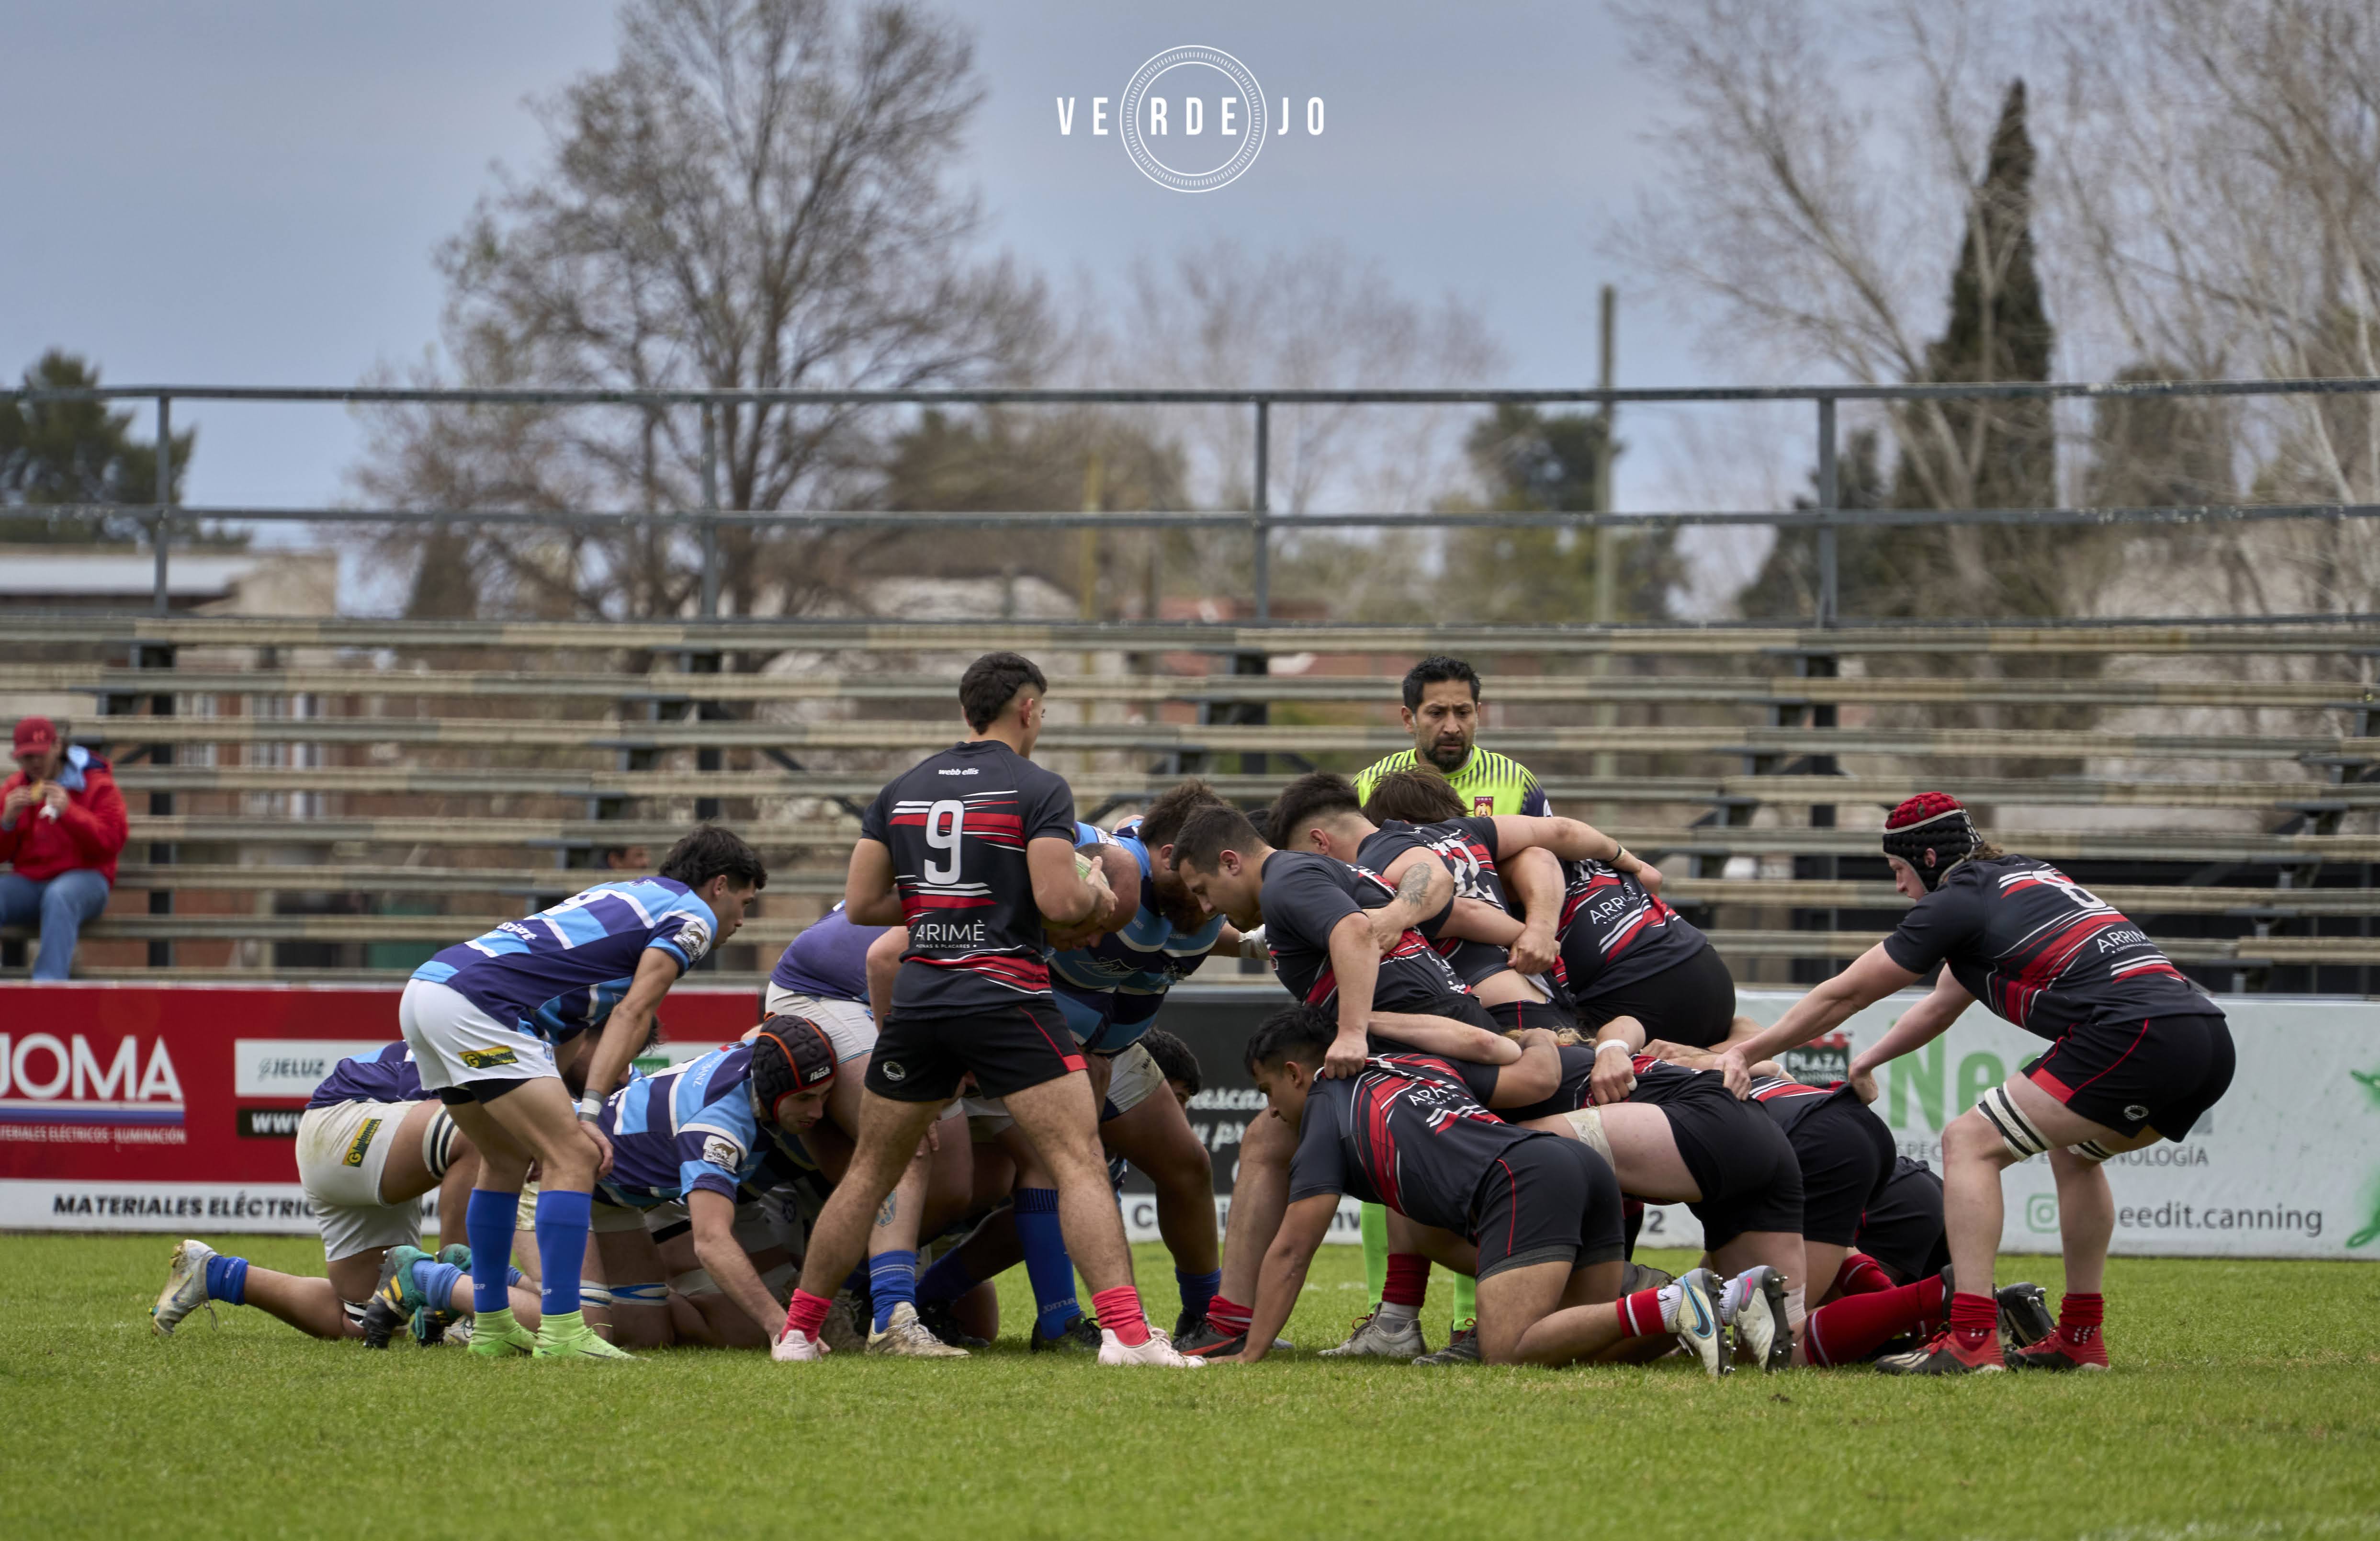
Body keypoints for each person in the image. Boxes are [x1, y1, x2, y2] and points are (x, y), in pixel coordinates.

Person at [772, 651, 1201, 1368]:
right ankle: (1126, 1335)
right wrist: (1094, 893)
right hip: (1004, 995)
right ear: (1028, 708)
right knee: (1076, 1161)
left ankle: (798, 1331)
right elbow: (1063, 904)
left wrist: (950, 903)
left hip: (921, 995)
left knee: (872, 1171)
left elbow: (866, 905)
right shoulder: (1038, 787)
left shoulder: (903, 788)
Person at [1716, 793, 2236, 1374]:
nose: (1899, 889)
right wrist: (1869, 1060)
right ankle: (2080, 1336)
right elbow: (1941, 1005)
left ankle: (1970, 1334)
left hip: (2136, 1032)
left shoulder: (1956, 901)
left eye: (1899, 871)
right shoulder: (2020, 877)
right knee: (2074, 1153)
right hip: (2205, 1035)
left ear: (1929, 856)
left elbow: (1846, 992)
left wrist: (1748, 1051)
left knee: (1968, 1142)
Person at [401, 824, 767, 1361]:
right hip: (483, 1003)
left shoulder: (632, 895)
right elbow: (634, 1011)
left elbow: (571, 1020)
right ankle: (564, 1330)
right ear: (718, 885)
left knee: (503, 1157)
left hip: (431, 987)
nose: (740, 920)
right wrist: (589, 1112)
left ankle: (493, 1324)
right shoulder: (693, 916)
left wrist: (569, 1108)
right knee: (574, 1153)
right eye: (744, 901)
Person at [1235, 1006, 1722, 1373]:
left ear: (1295, 1074)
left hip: (1522, 1178)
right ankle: (1697, 1306)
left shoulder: (1324, 1109)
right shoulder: (1415, 1065)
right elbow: (1529, 1069)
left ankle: (1672, 1301)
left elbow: (1293, 1249)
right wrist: (1537, 1034)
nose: (1273, 1110)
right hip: (1579, 1163)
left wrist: (1251, 1351)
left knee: (1507, 1350)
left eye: (1267, 1090)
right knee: (1581, 1350)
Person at [148, 1042, 540, 1344]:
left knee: (365, 1318)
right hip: (348, 1122)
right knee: (484, 1131)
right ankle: (458, 1309)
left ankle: (213, 1273)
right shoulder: (522, 1053)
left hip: (362, 1136)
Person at [763, 902, 975, 1349]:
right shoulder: (1003, 892)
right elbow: (882, 958)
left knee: (955, 1189)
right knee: (905, 1137)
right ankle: (892, 1317)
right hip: (826, 991)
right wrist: (905, 1071)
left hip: (883, 994)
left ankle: (844, 1285)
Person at [587, 1021, 872, 1351]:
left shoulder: (765, 1051)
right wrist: (781, 1328)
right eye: (805, 1098)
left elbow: (765, 1027)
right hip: (567, 1176)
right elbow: (711, 1241)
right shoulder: (715, 1130)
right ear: (770, 1089)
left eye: (824, 1096)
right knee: (599, 1328)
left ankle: (637, 1285)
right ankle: (518, 1289)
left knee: (680, 1334)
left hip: (640, 1194)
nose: (817, 1112)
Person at [0, 715, 127, 980]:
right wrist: (7, 822)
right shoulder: (15, 788)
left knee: (60, 896)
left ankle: (48, 988)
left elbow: (111, 843)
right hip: (32, 883)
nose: (34, 763)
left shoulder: (97, 784)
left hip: (88, 880)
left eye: (40, 755)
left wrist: (70, 812)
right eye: (26, 758)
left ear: (57, 747)